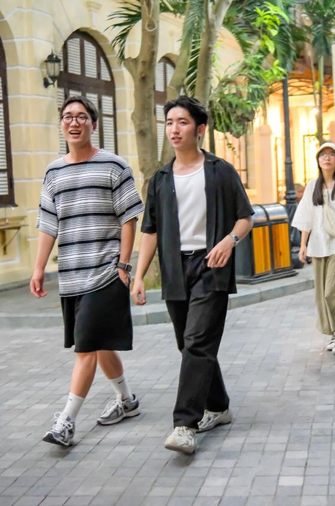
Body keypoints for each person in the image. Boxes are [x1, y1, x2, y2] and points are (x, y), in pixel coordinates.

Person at [131, 96, 254, 454]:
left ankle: (185, 424)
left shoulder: (219, 171)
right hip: (174, 270)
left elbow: (244, 217)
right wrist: (139, 276)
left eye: (182, 122)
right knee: (189, 345)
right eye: (169, 122)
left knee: (198, 342)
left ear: (199, 129)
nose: (174, 129)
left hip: (211, 267)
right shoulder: (160, 178)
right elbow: (150, 230)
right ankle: (219, 406)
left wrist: (229, 242)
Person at [32, 95, 144, 447]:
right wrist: (38, 269)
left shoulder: (113, 166)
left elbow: (130, 216)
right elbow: (48, 225)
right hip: (71, 276)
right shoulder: (53, 172)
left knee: (85, 349)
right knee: (96, 344)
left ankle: (66, 422)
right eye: (68, 116)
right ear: (62, 125)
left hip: (106, 272)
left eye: (82, 116)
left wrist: (124, 265)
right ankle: (127, 401)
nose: (74, 122)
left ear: (94, 124)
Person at [293, 142, 335, 355]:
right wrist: (303, 245)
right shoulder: (313, 185)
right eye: (323, 155)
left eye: (332, 154)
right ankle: (334, 333)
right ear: (318, 160)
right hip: (318, 245)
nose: (327, 158)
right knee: (323, 294)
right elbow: (306, 216)